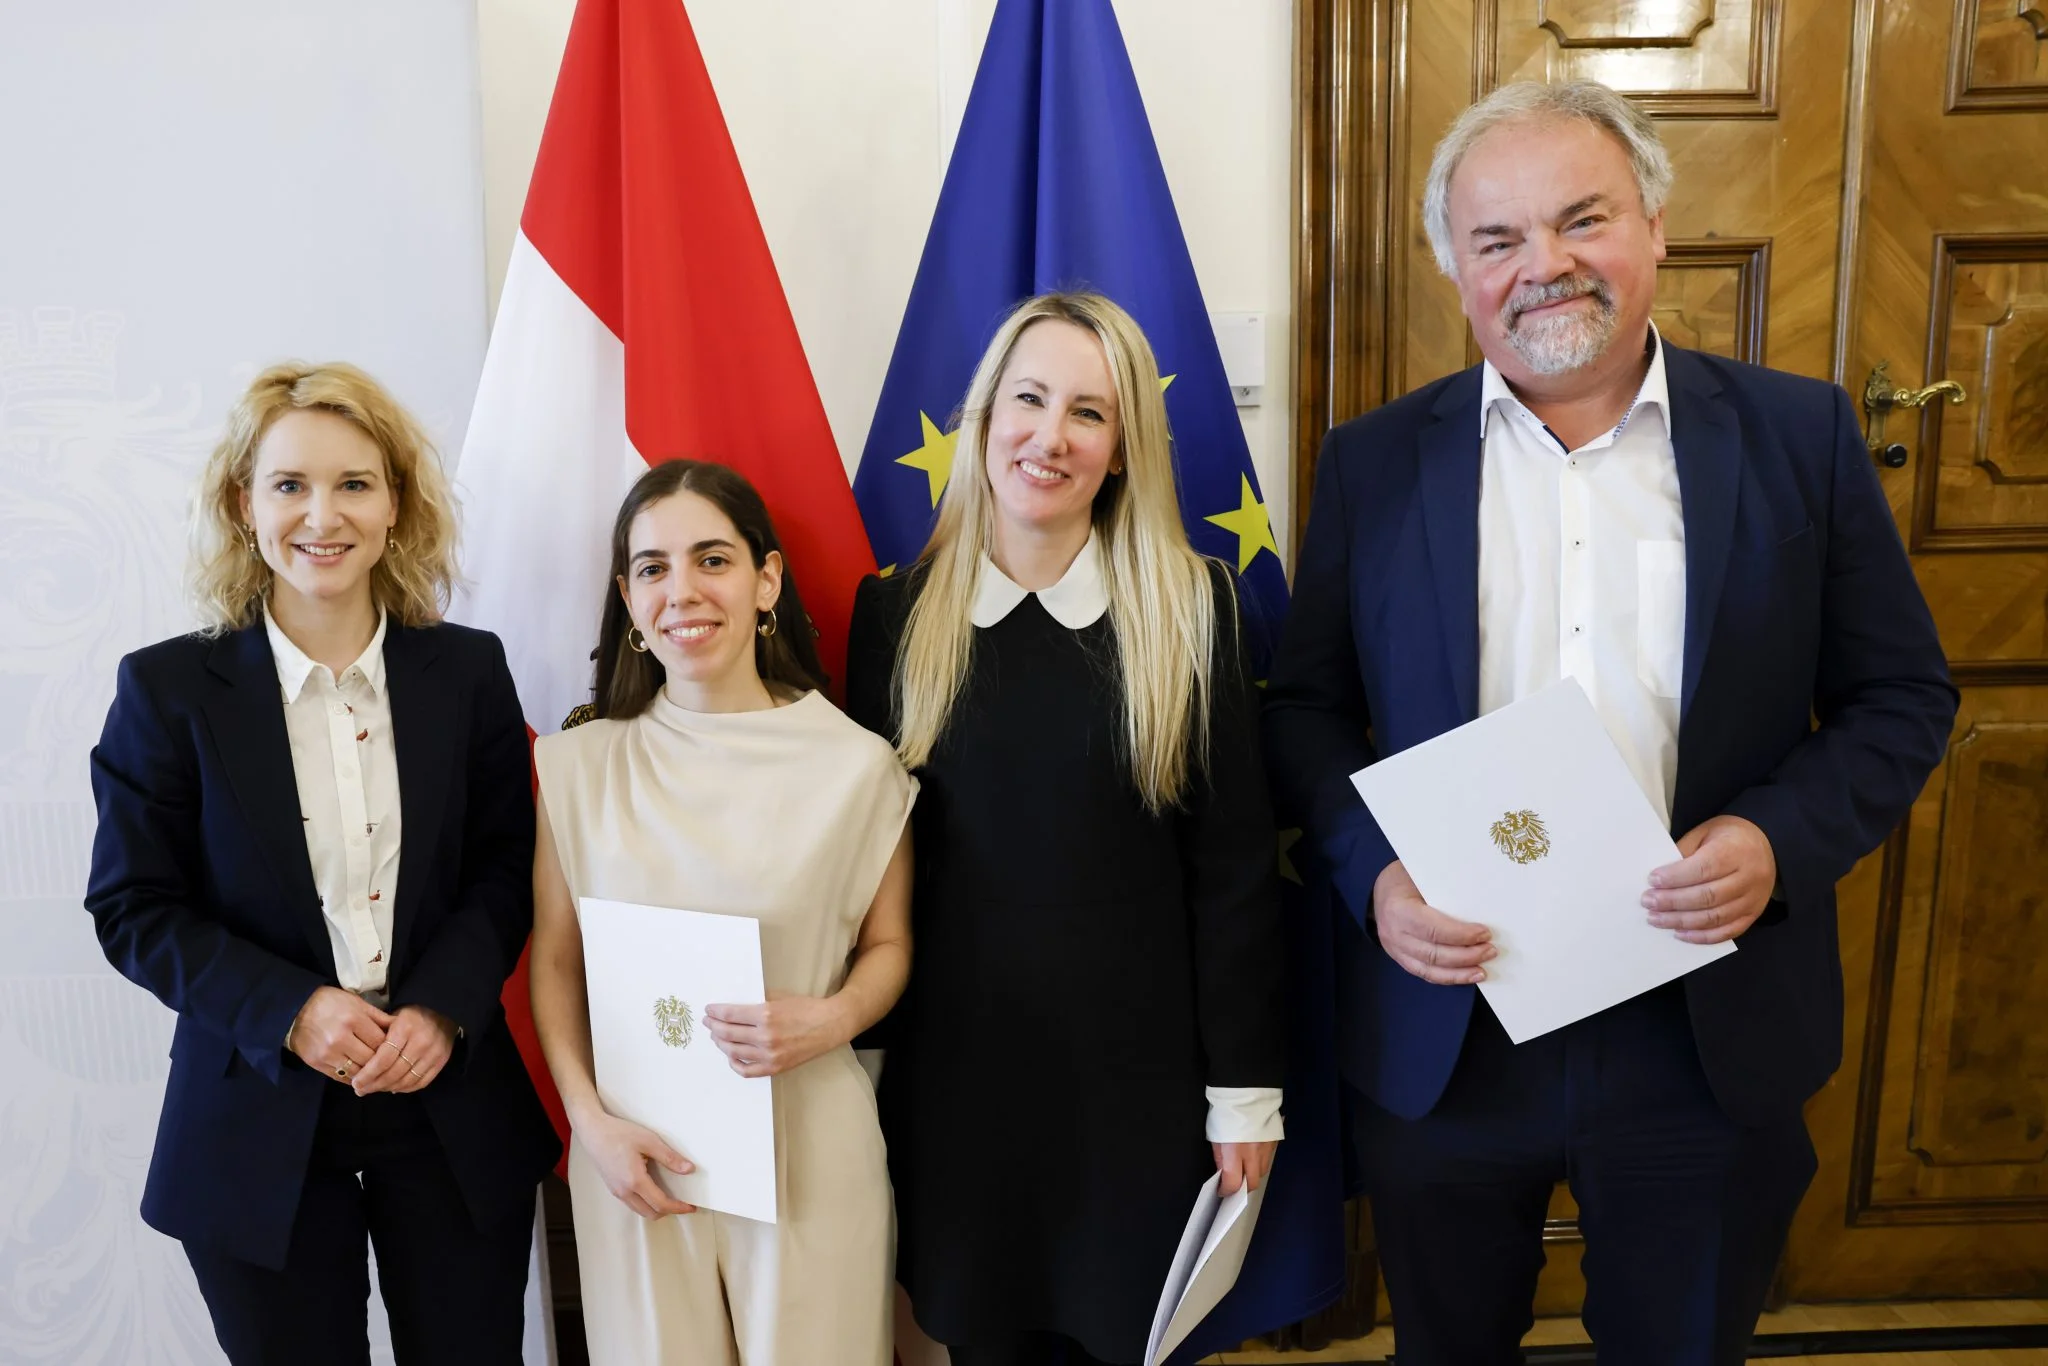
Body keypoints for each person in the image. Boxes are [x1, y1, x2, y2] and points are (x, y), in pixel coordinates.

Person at [1264, 80, 1959, 1365]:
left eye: (1580, 219)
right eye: (1496, 238)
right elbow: (1305, 710)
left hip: (1707, 1026)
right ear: (1453, 269)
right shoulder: (1373, 461)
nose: (1543, 264)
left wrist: (1774, 839)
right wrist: (1374, 879)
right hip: (1449, 1024)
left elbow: (1902, 696)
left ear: (1652, 224)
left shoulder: (1797, 436)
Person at [83, 362, 561, 1364]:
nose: (322, 514)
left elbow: (502, 868)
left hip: (449, 1101)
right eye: (289, 484)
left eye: (354, 483)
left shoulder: (469, 670)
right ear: (244, 506)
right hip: (252, 1113)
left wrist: (442, 1008)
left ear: (395, 505)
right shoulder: (168, 689)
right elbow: (135, 906)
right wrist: (293, 1010)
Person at [845, 291, 1287, 1366]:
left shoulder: (1195, 610)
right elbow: (862, 876)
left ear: (1123, 447)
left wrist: (1244, 1098)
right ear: (984, 417)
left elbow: (1233, 875)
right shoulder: (893, 616)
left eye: (1088, 413)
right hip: (956, 1086)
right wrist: (860, 1066)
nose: (1050, 436)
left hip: (1136, 1092)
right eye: (1029, 399)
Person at [528, 459, 916, 1365]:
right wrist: (589, 1122)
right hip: (632, 1154)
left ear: (766, 579)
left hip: (809, 1143)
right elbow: (556, 960)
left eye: (712, 559)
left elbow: (891, 943)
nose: (683, 591)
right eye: (653, 568)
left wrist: (833, 1018)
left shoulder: (857, 763)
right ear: (628, 598)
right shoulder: (578, 765)